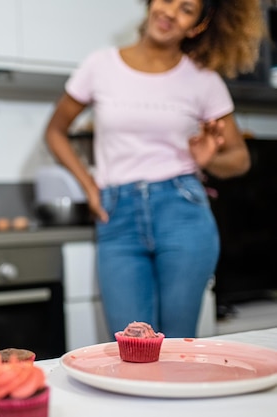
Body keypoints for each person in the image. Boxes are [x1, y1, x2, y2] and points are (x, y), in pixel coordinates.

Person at [45, 0, 265, 339]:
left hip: (182, 211)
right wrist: (90, 187)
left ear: (198, 25)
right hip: (117, 215)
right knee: (131, 346)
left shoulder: (203, 81)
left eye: (186, 8)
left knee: (177, 345)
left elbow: (240, 160)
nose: (170, 12)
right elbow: (55, 132)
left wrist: (207, 160)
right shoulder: (100, 65)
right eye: (166, 0)